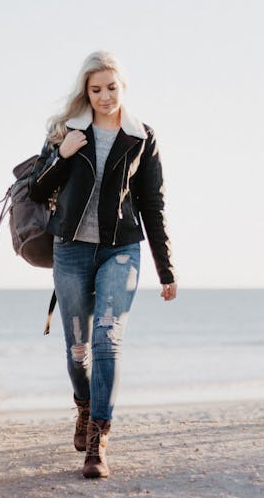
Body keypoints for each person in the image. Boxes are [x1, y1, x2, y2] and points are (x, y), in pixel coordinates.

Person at [28, 50, 177, 479]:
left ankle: (98, 440)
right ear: (86, 92)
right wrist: (64, 156)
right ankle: (84, 404)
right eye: (96, 89)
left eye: (112, 87)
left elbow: (153, 203)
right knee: (78, 350)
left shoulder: (142, 136)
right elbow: (37, 192)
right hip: (71, 249)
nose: (105, 96)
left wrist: (165, 269)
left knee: (107, 339)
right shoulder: (66, 132)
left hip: (121, 250)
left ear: (123, 87)